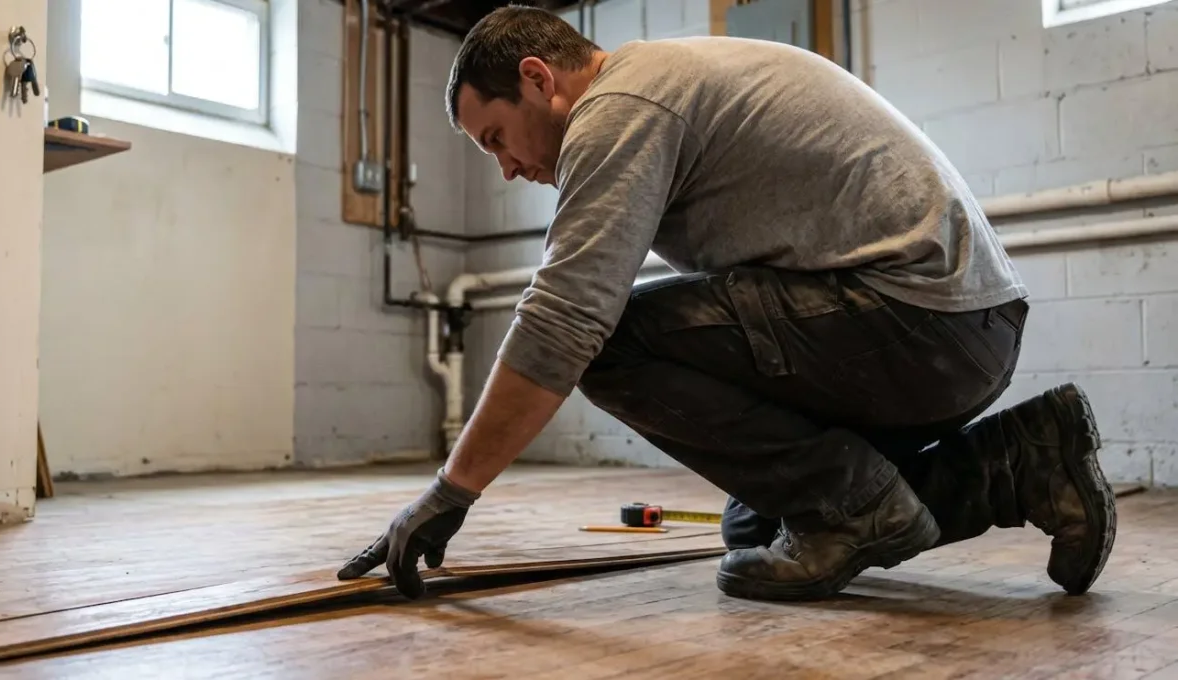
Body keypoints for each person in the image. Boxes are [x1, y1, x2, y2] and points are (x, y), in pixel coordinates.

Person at [337, 5, 1116, 602]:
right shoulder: (660, 80)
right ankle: (1024, 463)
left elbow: (566, 319)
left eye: (497, 138)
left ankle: (858, 507)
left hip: (920, 323)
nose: (506, 167)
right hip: (952, 329)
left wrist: (452, 490)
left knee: (604, 344)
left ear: (540, 79)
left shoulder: (619, 107)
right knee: (756, 526)